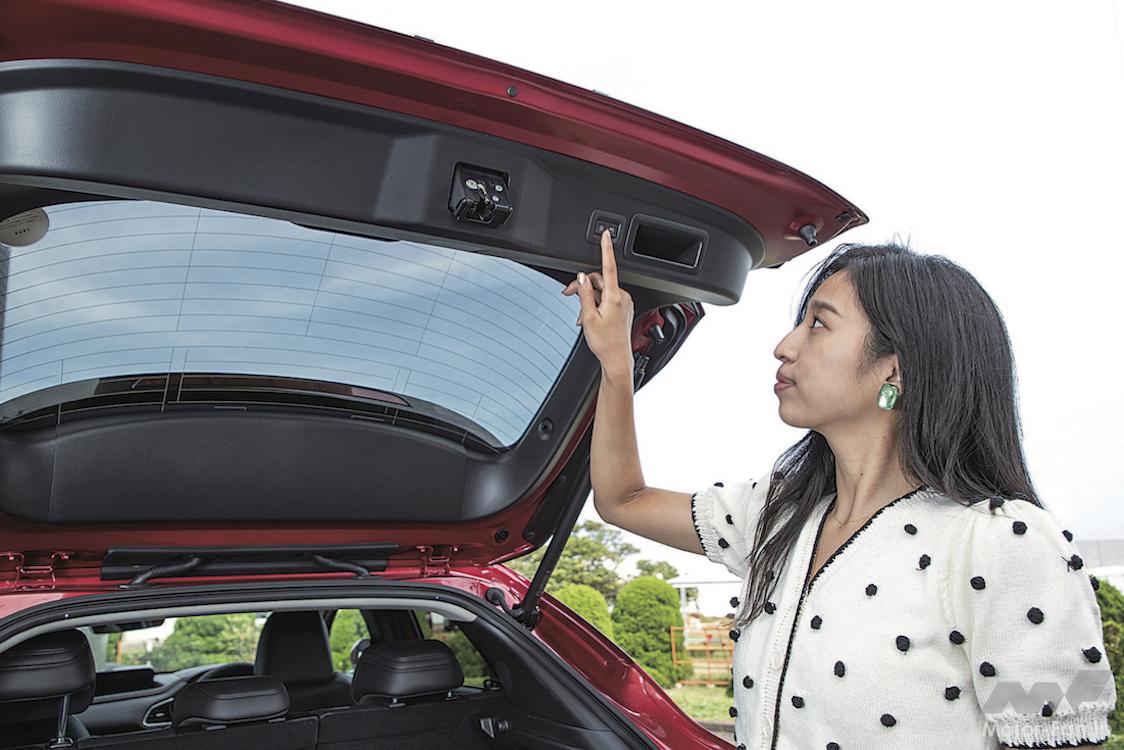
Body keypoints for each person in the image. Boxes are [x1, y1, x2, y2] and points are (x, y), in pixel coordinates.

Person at [562, 229, 1116, 750]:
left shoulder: (1003, 543)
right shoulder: (778, 516)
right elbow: (622, 500)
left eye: (818, 324)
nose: (784, 346)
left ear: (893, 370)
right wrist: (616, 363)